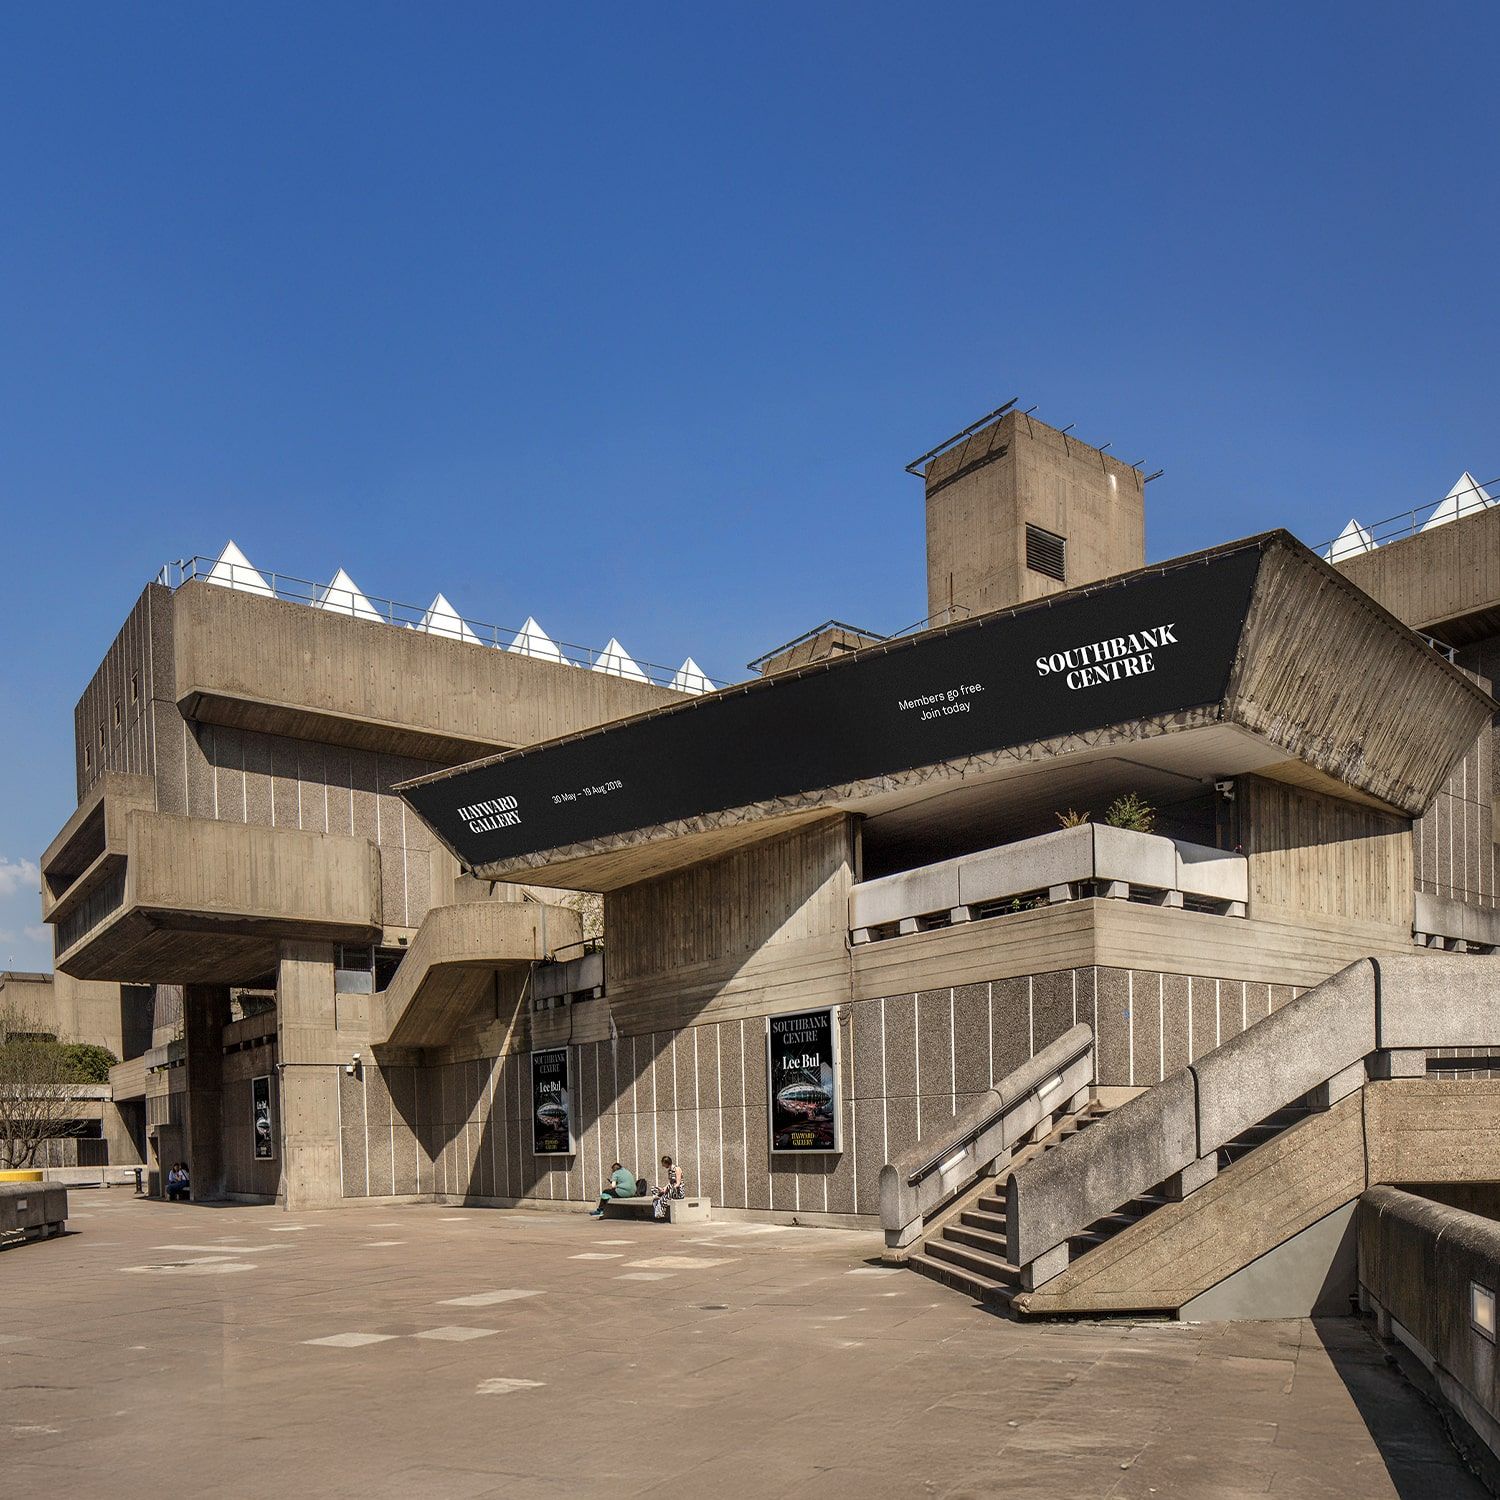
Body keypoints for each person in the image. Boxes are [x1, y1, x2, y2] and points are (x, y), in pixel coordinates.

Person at [653, 1156, 685, 1221]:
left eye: (663, 1164)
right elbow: (670, 1183)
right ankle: (660, 1198)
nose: (663, 1165)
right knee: (654, 1189)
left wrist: (669, 1189)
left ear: (666, 1163)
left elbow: (678, 1183)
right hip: (670, 1190)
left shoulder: (677, 1169)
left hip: (678, 1191)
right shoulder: (669, 1171)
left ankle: (660, 1213)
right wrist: (664, 1188)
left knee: (664, 1195)